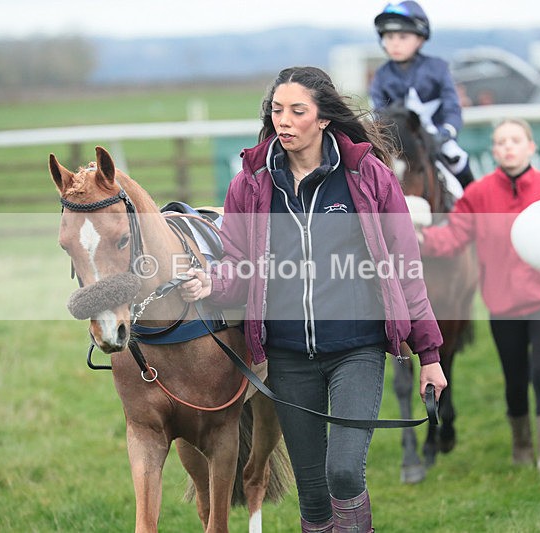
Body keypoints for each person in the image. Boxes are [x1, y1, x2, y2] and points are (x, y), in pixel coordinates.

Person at [179, 66, 447, 532]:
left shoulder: (368, 177)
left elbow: (406, 267)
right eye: (276, 110)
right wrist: (211, 284)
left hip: (357, 350)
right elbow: (240, 265)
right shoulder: (251, 185)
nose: (284, 120)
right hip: (287, 357)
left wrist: (429, 354)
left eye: (297, 111)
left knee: (343, 470)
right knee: (313, 495)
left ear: (323, 119)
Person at [417, 118, 540, 473]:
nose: (508, 147)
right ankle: (521, 445)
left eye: (516, 140)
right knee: (515, 379)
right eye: (501, 142)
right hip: (504, 307)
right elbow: (453, 237)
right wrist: (419, 238)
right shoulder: (478, 195)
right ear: (494, 151)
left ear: (530, 147)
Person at [370, 1, 475, 192]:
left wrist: (446, 132)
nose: (394, 43)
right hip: (398, 145)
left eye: (403, 37)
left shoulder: (438, 68)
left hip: (437, 139)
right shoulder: (381, 75)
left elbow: (452, 107)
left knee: (458, 160)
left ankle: (473, 205)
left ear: (420, 39)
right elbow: (378, 113)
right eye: (389, 36)